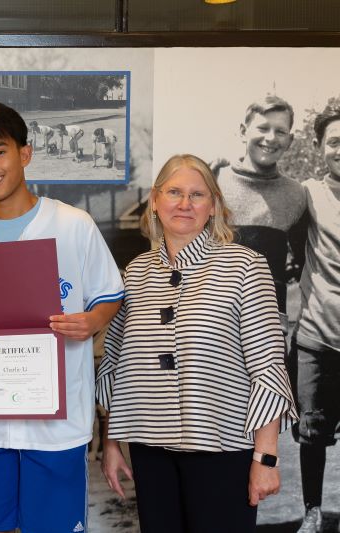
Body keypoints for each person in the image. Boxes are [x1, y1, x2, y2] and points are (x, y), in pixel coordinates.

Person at [0, 102, 124, 533]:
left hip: (57, 426)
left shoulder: (74, 225)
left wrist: (92, 322)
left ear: (25, 153)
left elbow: (110, 295)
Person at [97, 154, 297, 533]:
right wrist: (111, 444)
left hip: (223, 452)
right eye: (174, 192)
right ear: (155, 200)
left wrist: (266, 458)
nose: (185, 204)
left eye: (197, 194)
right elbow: (117, 362)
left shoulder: (246, 266)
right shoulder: (136, 273)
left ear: (214, 205)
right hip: (150, 451)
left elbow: (268, 366)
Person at [288, 104, 340, 533]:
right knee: (312, 434)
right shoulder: (307, 192)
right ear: (320, 147)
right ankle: (312, 511)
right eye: (334, 142)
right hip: (317, 336)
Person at [212, 95, 308, 319]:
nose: (271, 138)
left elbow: (306, 264)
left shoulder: (296, 194)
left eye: (280, 131)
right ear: (243, 131)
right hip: (212, 323)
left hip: (269, 326)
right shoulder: (212, 182)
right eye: (263, 128)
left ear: (290, 140)